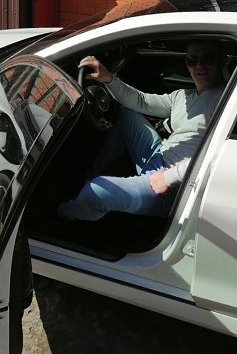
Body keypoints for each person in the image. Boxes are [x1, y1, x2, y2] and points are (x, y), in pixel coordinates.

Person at [57, 39, 226, 222]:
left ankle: (59, 216)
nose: (199, 66)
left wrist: (169, 177)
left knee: (96, 192)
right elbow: (141, 101)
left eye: (207, 59)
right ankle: (89, 177)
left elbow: (220, 156)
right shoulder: (183, 96)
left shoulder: (226, 100)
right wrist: (108, 78)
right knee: (126, 114)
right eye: (192, 60)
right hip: (159, 155)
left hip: (174, 185)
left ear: (222, 60)